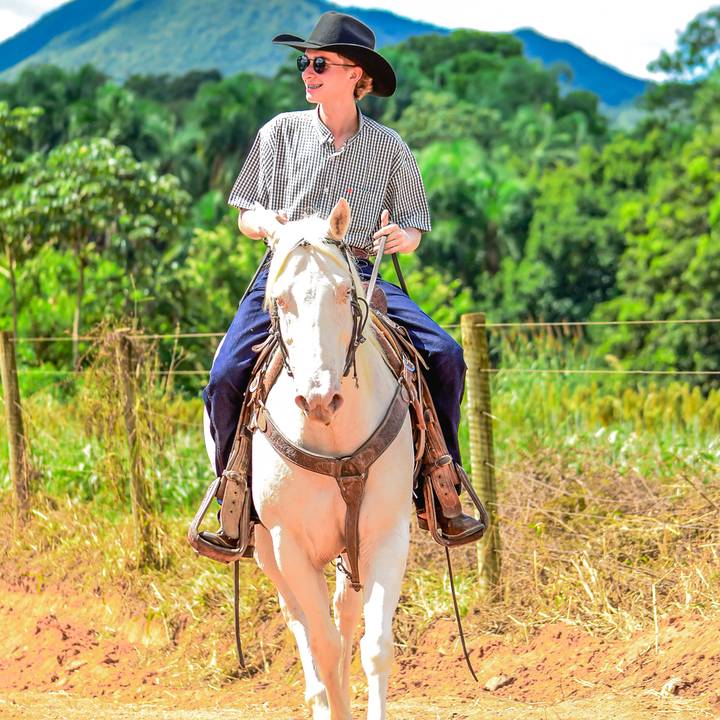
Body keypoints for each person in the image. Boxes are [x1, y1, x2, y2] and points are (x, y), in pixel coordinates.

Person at [201, 11, 484, 546]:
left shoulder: (389, 147)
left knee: (446, 356)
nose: (307, 73)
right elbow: (245, 213)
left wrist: (401, 237)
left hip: (358, 272)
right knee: (225, 376)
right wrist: (265, 223)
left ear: (356, 75)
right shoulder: (278, 133)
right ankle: (232, 495)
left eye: (319, 64)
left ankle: (440, 483)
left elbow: (414, 226)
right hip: (287, 270)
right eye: (305, 64)